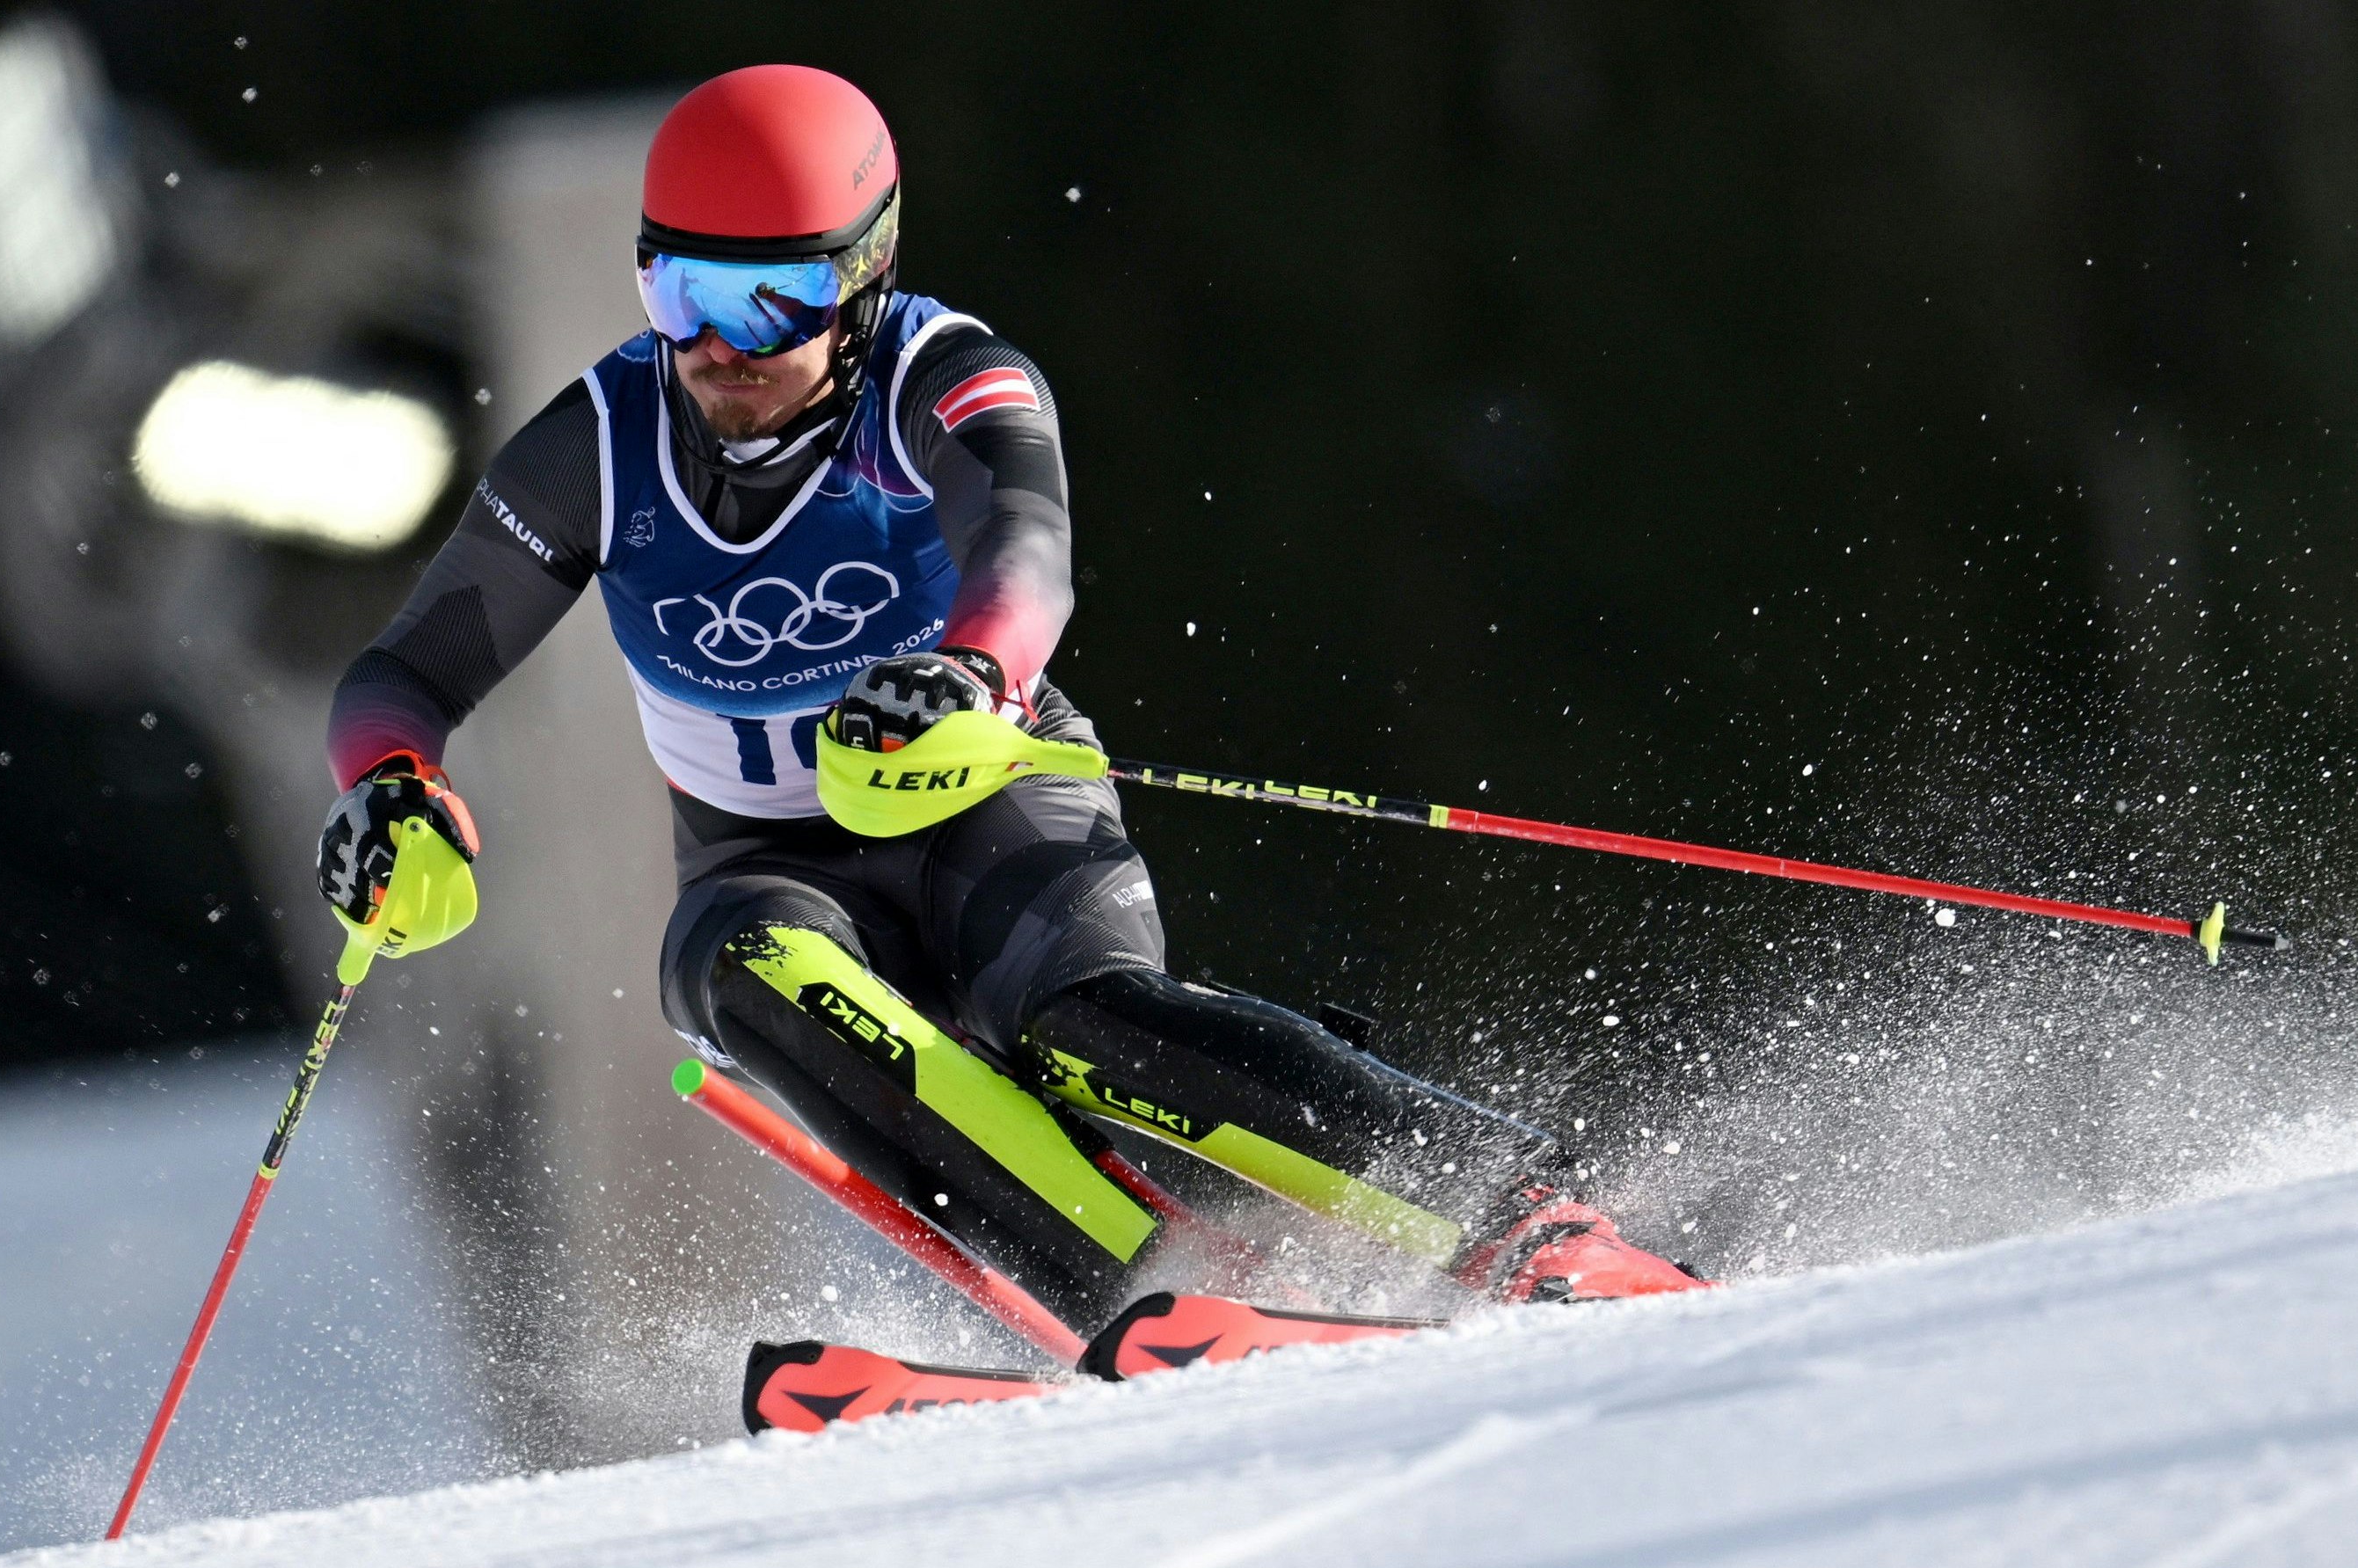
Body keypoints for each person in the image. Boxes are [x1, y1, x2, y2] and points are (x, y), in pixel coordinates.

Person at [317, 64, 1700, 1330]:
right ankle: (1158, 1302)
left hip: (989, 795)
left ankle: (1521, 1218)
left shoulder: (942, 377)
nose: (715, 351)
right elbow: (411, 665)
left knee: (1079, 1026)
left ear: (861, 284)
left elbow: (1027, 542)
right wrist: (391, 786)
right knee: (741, 974)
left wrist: (967, 669)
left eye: (765, 306)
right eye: (678, 295)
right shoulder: (605, 441)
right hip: (772, 862)